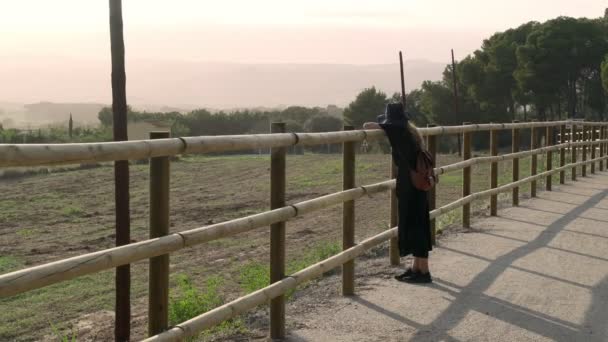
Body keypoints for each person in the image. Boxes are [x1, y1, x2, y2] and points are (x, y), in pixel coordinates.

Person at [363, 102, 433, 284]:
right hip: (417, 184)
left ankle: (423, 271)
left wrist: (383, 126)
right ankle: (417, 267)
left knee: (414, 225)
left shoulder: (398, 131)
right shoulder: (411, 132)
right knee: (418, 223)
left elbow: (367, 126)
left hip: (410, 185)